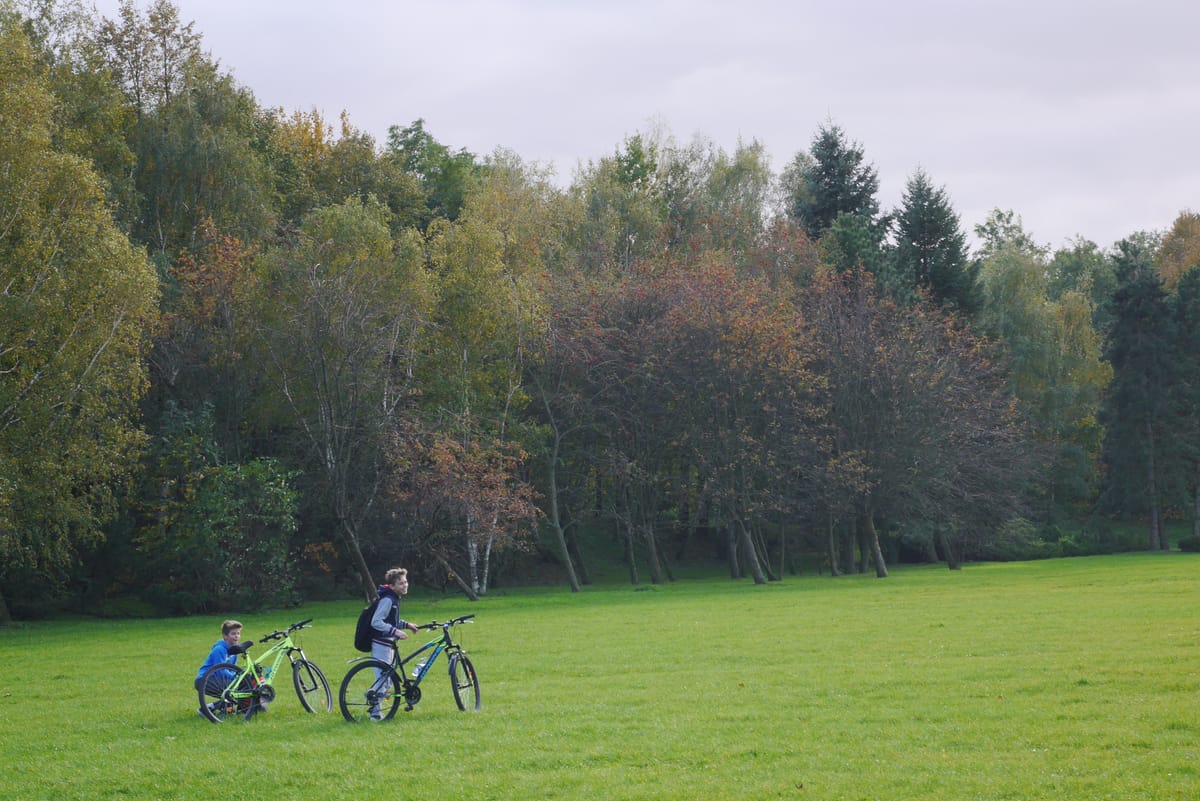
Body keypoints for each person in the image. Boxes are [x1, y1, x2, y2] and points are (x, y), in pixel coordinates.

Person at [368, 567, 419, 719]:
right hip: (381, 644)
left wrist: (407, 625)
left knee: (389, 680)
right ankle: (375, 713)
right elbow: (376, 622)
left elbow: (392, 620)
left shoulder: (394, 598)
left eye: (405, 582)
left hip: (388, 644)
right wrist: (395, 632)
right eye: (401, 583)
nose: (405, 585)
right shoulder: (388, 600)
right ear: (392, 586)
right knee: (383, 680)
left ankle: (376, 706)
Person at [195, 619, 244, 717]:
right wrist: (236, 677)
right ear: (225, 636)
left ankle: (210, 709)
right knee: (232, 691)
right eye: (233, 634)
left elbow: (231, 669)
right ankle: (219, 710)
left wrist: (239, 676)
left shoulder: (234, 651)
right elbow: (220, 671)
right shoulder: (219, 650)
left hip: (219, 679)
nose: (236, 636)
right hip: (205, 680)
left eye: (238, 633)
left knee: (235, 690)